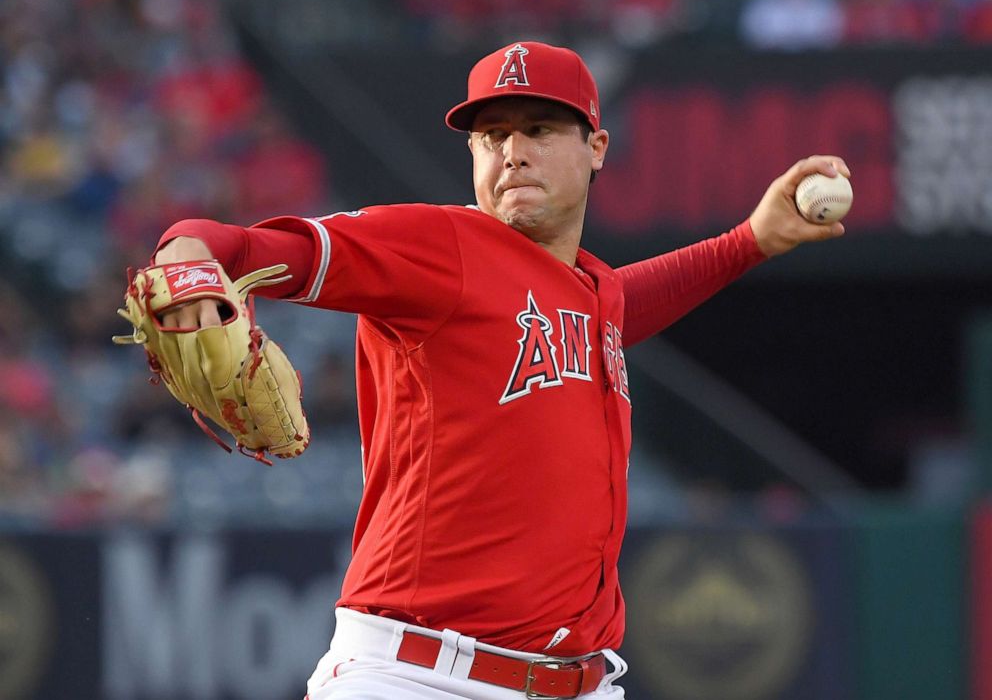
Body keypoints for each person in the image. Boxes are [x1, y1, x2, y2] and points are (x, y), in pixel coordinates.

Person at [149, 41, 848, 699]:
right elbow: (253, 246)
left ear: (596, 148)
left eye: (539, 130)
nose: (512, 153)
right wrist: (185, 256)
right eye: (492, 136)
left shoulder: (590, 292)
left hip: (582, 680)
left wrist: (749, 241)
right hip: (417, 676)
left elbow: (622, 307)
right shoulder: (438, 247)